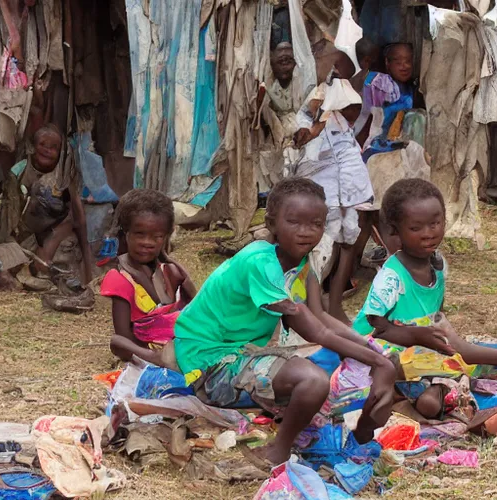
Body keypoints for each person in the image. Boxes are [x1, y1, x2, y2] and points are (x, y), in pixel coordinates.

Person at [173, 177, 398, 466]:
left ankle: (362, 433)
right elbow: (312, 328)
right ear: (271, 222)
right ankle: (279, 449)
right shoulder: (260, 261)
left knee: (373, 361)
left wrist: (376, 353)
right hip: (210, 363)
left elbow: (322, 316)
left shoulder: (302, 264)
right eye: (295, 222)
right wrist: (377, 362)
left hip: (244, 352)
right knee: (314, 381)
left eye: (316, 224)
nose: (306, 233)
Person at [353, 178, 497, 420]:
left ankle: (430, 391)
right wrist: (419, 336)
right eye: (416, 228)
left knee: (454, 352)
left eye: (435, 224)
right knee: (450, 356)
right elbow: (377, 329)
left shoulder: (437, 266)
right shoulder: (392, 277)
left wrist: (433, 335)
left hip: (418, 344)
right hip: (377, 348)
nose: (428, 234)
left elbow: (435, 316)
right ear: (396, 231)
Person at [295, 65, 375, 318]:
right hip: (324, 193)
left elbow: (351, 157)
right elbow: (302, 140)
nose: (354, 113)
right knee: (321, 243)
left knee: (348, 239)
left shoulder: (339, 121)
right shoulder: (308, 118)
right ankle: (314, 298)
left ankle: (335, 302)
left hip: (348, 192)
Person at [102, 188, 193, 371]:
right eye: (139, 234)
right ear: (125, 233)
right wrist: (151, 352)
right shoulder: (120, 278)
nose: (147, 242)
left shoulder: (169, 272)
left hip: (176, 340)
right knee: (117, 342)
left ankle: (170, 357)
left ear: (166, 237)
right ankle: (157, 359)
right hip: (145, 347)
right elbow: (123, 334)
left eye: (157, 237)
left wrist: (171, 262)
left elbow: (196, 303)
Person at [16, 125, 95, 299]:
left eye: (54, 148)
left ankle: (42, 270)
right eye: (43, 144)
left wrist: (88, 265)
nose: (47, 150)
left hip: (56, 233)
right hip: (25, 232)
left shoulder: (64, 177)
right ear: (33, 147)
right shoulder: (20, 170)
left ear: (61, 153)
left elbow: (79, 220)